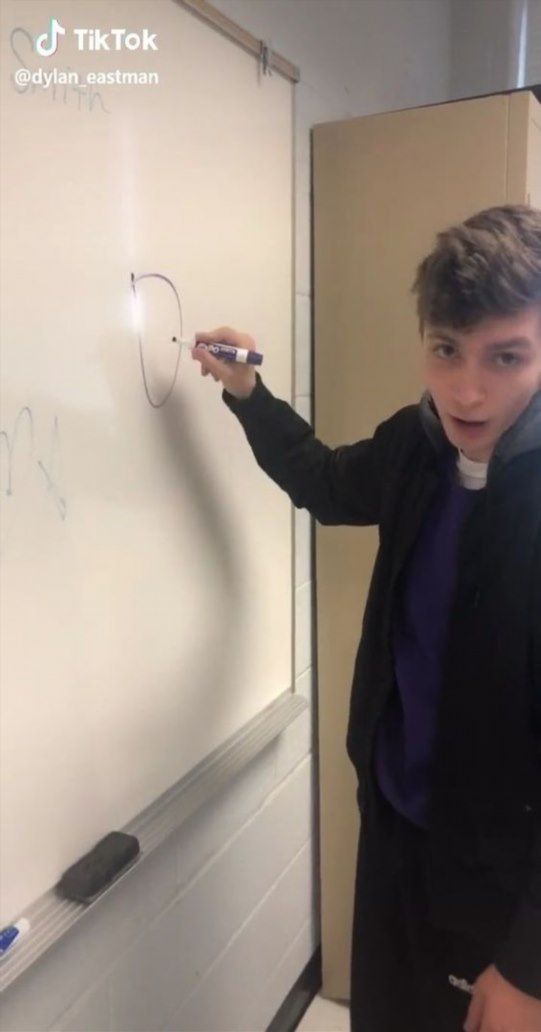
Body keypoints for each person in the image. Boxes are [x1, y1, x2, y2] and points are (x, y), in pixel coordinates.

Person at [192, 204, 541, 1032]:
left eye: (507, 357)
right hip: (394, 836)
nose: (466, 389)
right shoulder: (414, 445)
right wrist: (248, 393)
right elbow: (320, 480)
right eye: (445, 350)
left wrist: (528, 965)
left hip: (503, 884)